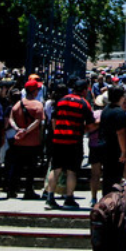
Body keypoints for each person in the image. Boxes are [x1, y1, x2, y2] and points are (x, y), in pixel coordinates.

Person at [45, 79, 96, 209]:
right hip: (74, 140)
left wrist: (57, 132)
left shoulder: (61, 101)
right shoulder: (84, 103)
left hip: (58, 139)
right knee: (71, 171)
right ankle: (69, 198)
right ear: (84, 90)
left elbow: (54, 120)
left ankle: (50, 198)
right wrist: (82, 130)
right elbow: (90, 124)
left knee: (55, 169)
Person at [5, 79, 45, 200]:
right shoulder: (38, 105)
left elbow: (11, 119)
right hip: (33, 142)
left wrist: (18, 129)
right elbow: (38, 121)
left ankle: (11, 190)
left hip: (19, 141)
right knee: (31, 168)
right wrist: (26, 131)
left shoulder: (18, 104)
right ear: (35, 91)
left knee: (16, 166)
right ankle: (28, 190)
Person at [99, 86, 126, 197]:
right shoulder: (119, 112)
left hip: (104, 147)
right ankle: (112, 200)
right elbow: (120, 133)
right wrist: (124, 151)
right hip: (115, 149)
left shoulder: (106, 110)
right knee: (115, 177)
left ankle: (105, 198)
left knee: (107, 177)